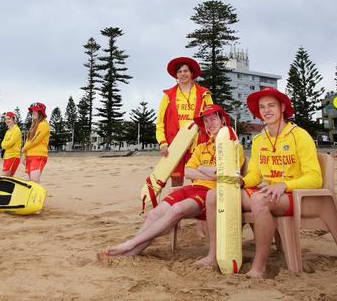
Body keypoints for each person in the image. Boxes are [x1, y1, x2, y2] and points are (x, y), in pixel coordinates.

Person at [196, 87, 322, 278]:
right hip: (270, 192)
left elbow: (315, 178)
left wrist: (285, 185)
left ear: (282, 107)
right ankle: (213, 255)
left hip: (294, 195)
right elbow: (255, 174)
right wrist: (240, 182)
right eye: (262, 107)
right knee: (214, 195)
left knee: (259, 200)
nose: (266, 110)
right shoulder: (259, 139)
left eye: (271, 105)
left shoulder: (299, 135)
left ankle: (259, 267)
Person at [98, 104, 242, 258]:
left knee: (177, 209)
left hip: (212, 194)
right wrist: (208, 171)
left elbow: (225, 175)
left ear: (223, 121)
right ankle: (130, 253)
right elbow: (188, 171)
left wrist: (201, 169)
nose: (209, 124)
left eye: (213, 119)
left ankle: (129, 244)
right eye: (206, 121)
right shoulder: (201, 147)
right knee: (154, 214)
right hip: (192, 189)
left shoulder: (233, 146)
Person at [156, 57, 212, 187]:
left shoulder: (205, 94)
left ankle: (198, 205)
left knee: (199, 179)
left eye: (186, 71)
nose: (183, 74)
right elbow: (160, 123)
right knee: (176, 180)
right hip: (174, 144)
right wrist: (162, 143)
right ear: (176, 75)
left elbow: (212, 120)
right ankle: (176, 204)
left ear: (191, 73)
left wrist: (212, 140)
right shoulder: (168, 96)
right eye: (180, 71)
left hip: (198, 144)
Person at [22, 102, 50, 183]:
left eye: (36, 111)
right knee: (31, 182)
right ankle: (33, 196)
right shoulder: (33, 125)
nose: (33, 112)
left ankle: (38, 196)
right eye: (32, 110)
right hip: (30, 155)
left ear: (41, 113)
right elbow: (28, 140)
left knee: (34, 182)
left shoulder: (44, 125)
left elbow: (35, 141)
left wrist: (23, 149)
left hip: (38, 156)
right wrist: (24, 154)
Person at [0, 112, 22, 176]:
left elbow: (9, 144)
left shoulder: (16, 130)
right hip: (6, 156)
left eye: (9, 119)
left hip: (14, 156)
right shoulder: (8, 131)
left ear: (13, 119)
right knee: (6, 179)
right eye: (6, 119)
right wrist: (5, 145)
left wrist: (6, 144)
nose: (7, 121)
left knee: (5, 176)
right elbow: (2, 145)